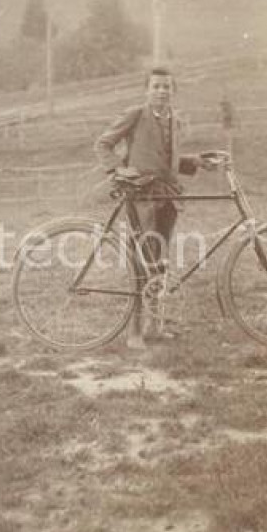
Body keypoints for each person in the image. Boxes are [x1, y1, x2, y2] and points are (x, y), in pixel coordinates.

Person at [94, 67, 215, 348]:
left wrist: (194, 161)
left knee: (160, 261)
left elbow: (167, 161)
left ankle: (154, 325)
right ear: (147, 90)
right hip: (141, 196)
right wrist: (117, 170)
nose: (162, 91)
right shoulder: (136, 114)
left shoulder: (174, 120)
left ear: (174, 92)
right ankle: (134, 331)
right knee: (140, 259)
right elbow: (103, 144)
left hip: (168, 196)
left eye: (167, 87)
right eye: (156, 86)